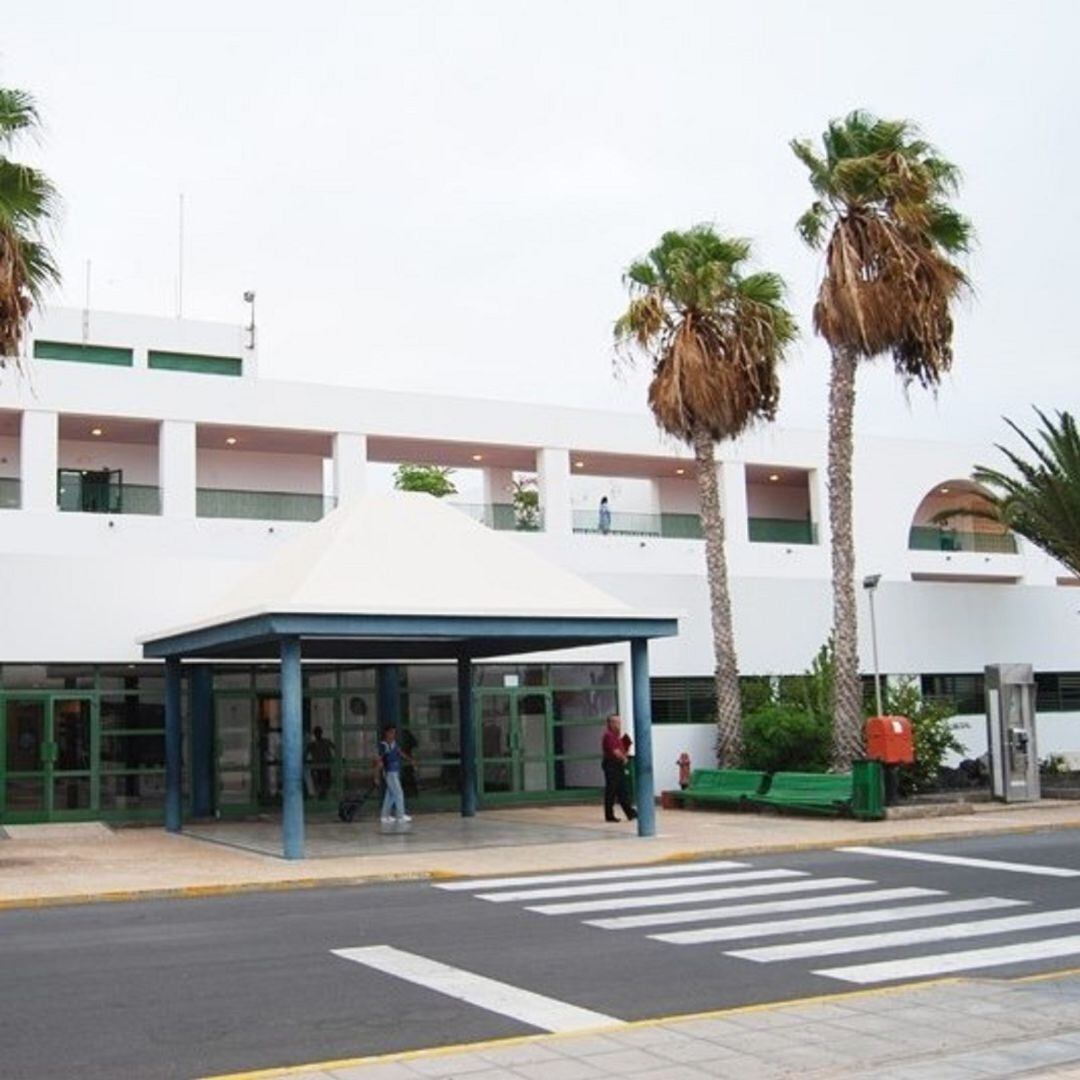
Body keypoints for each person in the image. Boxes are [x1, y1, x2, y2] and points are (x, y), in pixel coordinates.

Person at [600, 714, 636, 823]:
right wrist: (624, 758)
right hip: (612, 765)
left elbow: (621, 749)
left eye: (619, 722)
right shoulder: (609, 736)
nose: (618, 725)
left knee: (622, 790)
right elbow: (615, 751)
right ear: (610, 724)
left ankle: (630, 813)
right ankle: (609, 815)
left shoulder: (616, 736)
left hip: (617, 765)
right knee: (611, 790)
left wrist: (626, 750)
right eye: (615, 722)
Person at [375, 724, 412, 823]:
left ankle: (384, 816)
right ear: (386, 733)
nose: (393, 735)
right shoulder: (383, 746)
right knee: (399, 793)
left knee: (390, 795)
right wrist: (377, 776)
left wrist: (410, 760)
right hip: (389, 772)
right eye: (391, 732)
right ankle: (400, 815)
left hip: (395, 771)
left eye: (394, 733)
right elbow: (378, 761)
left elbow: (400, 752)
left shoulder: (394, 743)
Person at [306, 725, 336, 800]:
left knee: (326, 779)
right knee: (320, 780)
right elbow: (305, 753)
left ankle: (324, 793)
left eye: (319, 732)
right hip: (318, 766)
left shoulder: (326, 742)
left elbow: (336, 748)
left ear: (321, 733)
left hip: (325, 765)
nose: (318, 734)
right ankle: (321, 793)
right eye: (316, 733)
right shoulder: (312, 745)